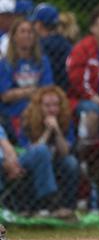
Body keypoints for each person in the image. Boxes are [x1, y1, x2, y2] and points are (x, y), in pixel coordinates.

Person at [17, 86, 80, 217]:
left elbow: (65, 151)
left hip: (55, 161)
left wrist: (56, 131)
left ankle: (67, 207)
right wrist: (47, 132)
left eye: (56, 105)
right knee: (42, 150)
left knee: (71, 162)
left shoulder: (65, 120)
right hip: (29, 161)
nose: (52, 109)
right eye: (47, 105)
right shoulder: (28, 119)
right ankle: (49, 201)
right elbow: (33, 152)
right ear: (39, 106)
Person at [66, 4, 99, 131]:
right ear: (92, 28)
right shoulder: (82, 49)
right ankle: (87, 146)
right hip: (82, 99)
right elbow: (79, 84)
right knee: (92, 109)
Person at [0, 18, 54, 130]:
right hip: (13, 110)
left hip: (39, 106)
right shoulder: (6, 63)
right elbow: (5, 96)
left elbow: (47, 89)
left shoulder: (43, 61)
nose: (27, 35)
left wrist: (19, 93)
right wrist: (31, 91)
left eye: (30, 32)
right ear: (14, 37)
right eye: (22, 31)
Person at [31, 4, 72, 91]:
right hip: (65, 89)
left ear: (39, 24)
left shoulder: (39, 45)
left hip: (46, 90)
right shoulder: (65, 43)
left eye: (34, 23)